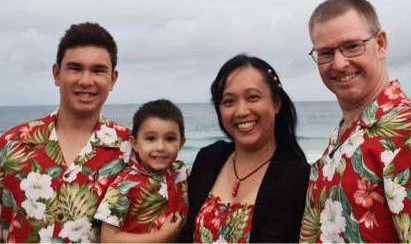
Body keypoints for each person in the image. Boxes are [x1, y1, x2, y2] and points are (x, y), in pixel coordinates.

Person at [299, 0, 411, 243]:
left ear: (381, 44)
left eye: (352, 46)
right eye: (326, 53)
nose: (339, 63)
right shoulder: (343, 136)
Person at [0, 22, 132, 243]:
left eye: (98, 70)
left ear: (113, 79)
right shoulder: (11, 145)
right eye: (75, 68)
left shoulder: (133, 153)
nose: (86, 81)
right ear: (56, 74)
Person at [180, 54, 311, 243]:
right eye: (229, 102)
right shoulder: (208, 158)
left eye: (252, 97)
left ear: (276, 103)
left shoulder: (296, 177)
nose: (241, 111)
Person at [95, 99, 188, 243]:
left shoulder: (181, 173)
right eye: (151, 138)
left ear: (181, 143)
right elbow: (108, 239)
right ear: (135, 143)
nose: (161, 147)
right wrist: (161, 238)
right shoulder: (125, 184)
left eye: (170, 139)